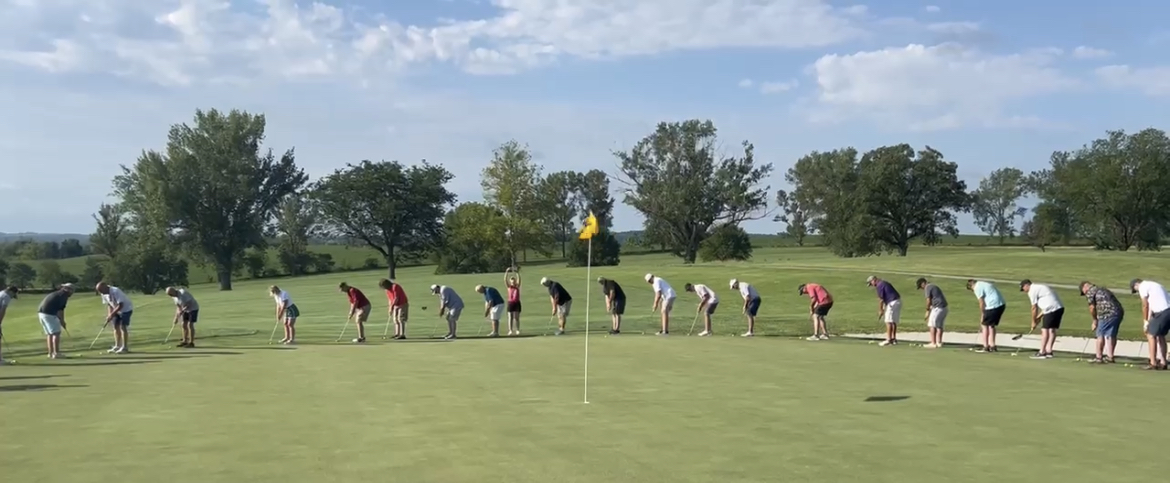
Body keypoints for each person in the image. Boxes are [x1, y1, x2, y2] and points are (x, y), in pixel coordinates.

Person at [1080, 281, 1123, 364]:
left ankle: (1098, 357)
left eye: (1083, 292)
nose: (1085, 294)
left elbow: (1092, 308)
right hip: (1118, 312)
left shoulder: (1090, 292)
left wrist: (1095, 320)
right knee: (1111, 334)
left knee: (1100, 334)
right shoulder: (1103, 289)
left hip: (1106, 313)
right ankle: (1110, 356)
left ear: (1085, 287)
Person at [1130, 278, 1169, 370]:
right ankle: (1163, 362)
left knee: (1150, 335)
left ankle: (1153, 362)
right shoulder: (1155, 285)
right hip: (1168, 311)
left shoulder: (1143, 287)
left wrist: (1145, 322)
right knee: (1161, 335)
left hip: (1162, 312)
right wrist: (1148, 320)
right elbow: (1151, 306)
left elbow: (1145, 305)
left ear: (1136, 285)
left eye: (1135, 290)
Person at [1020, 279, 1064, 359]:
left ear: (1026, 285)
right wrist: (1038, 318)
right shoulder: (1039, 287)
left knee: (1045, 330)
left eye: (1023, 289)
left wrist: (1033, 322)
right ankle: (1049, 351)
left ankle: (1042, 352)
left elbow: (1034, 308)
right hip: (1059, 308)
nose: (1024, 291)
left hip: (1051, 309)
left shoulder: (1032, 291)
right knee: (1052, 330)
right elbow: (1046, 306)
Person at [966, 279, 1006, 353]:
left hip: (992, 305)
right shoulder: (982, 283)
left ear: (971, 286)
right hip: (1001, 305)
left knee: (984, 325)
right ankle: (992, 346)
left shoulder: (977, 288)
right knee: (991, 325)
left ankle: (986, 346)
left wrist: (983, 313)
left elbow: (981, 302)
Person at [37, 283, 74, 359]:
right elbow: (60, 310)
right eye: (72, 290)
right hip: (49, 314)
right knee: (56, 333)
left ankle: (50, 353)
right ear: (68, 289)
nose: (72, 292)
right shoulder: (63, 296)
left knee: (49, 334)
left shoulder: (57, 293)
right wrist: (62, 321)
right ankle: (56, 353)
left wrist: (61, 320)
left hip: (41, 313)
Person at [96, 282, 134, 354]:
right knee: (116, 327)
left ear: (105, 287)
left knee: (123, 327)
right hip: (115, 309)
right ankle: (117, 346)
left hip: (126, 309)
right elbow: (109, 304)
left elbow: (121, 305)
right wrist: (109, 315)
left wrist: (112, 314)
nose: (101, 293)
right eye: (99, 291)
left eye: (101, 290)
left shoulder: (115, 291)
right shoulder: (104, 293)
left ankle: (125, 347)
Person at [866, 276, 901, 346]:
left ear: (874, 280)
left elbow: (881, 299)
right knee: (893, 321)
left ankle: (888, 339)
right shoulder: (884, 283)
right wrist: (884, 307)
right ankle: (893, 339)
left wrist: (880, 310)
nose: (872, 285)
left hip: (892, 302)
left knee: (888, 321)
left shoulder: (879, 285)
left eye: (871, 283)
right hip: (897, 301)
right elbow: (886, 296)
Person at [916, 278, 948, 348]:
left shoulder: (928, 287)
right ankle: (939, 342)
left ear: (923, 283)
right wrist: (930, 310)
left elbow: (928, 300)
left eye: (921, 287)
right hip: (944, 308)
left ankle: (933, 343)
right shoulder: (933, 286)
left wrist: (927, 311)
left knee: (931, 324)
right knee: (939, 325)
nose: (922, 289)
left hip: (938, 307)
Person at [0, 285, 17, 364]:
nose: (12, 297)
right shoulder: (6, 296)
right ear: (11, 292)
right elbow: (3, 310)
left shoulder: (1, 293)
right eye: (13, 295)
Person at [505, 270, 522, 336]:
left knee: (516, 317)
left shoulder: (517, 287)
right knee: (510, 317)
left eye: (514, 281)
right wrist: (506, 272)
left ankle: (517, 330)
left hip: (517, 302)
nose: (513, 283)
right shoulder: (509, 287)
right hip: (510, 303)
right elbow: (505, 280)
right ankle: (510, 330)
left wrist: (517, 273)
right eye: (512, 282)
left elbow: (519, 279)